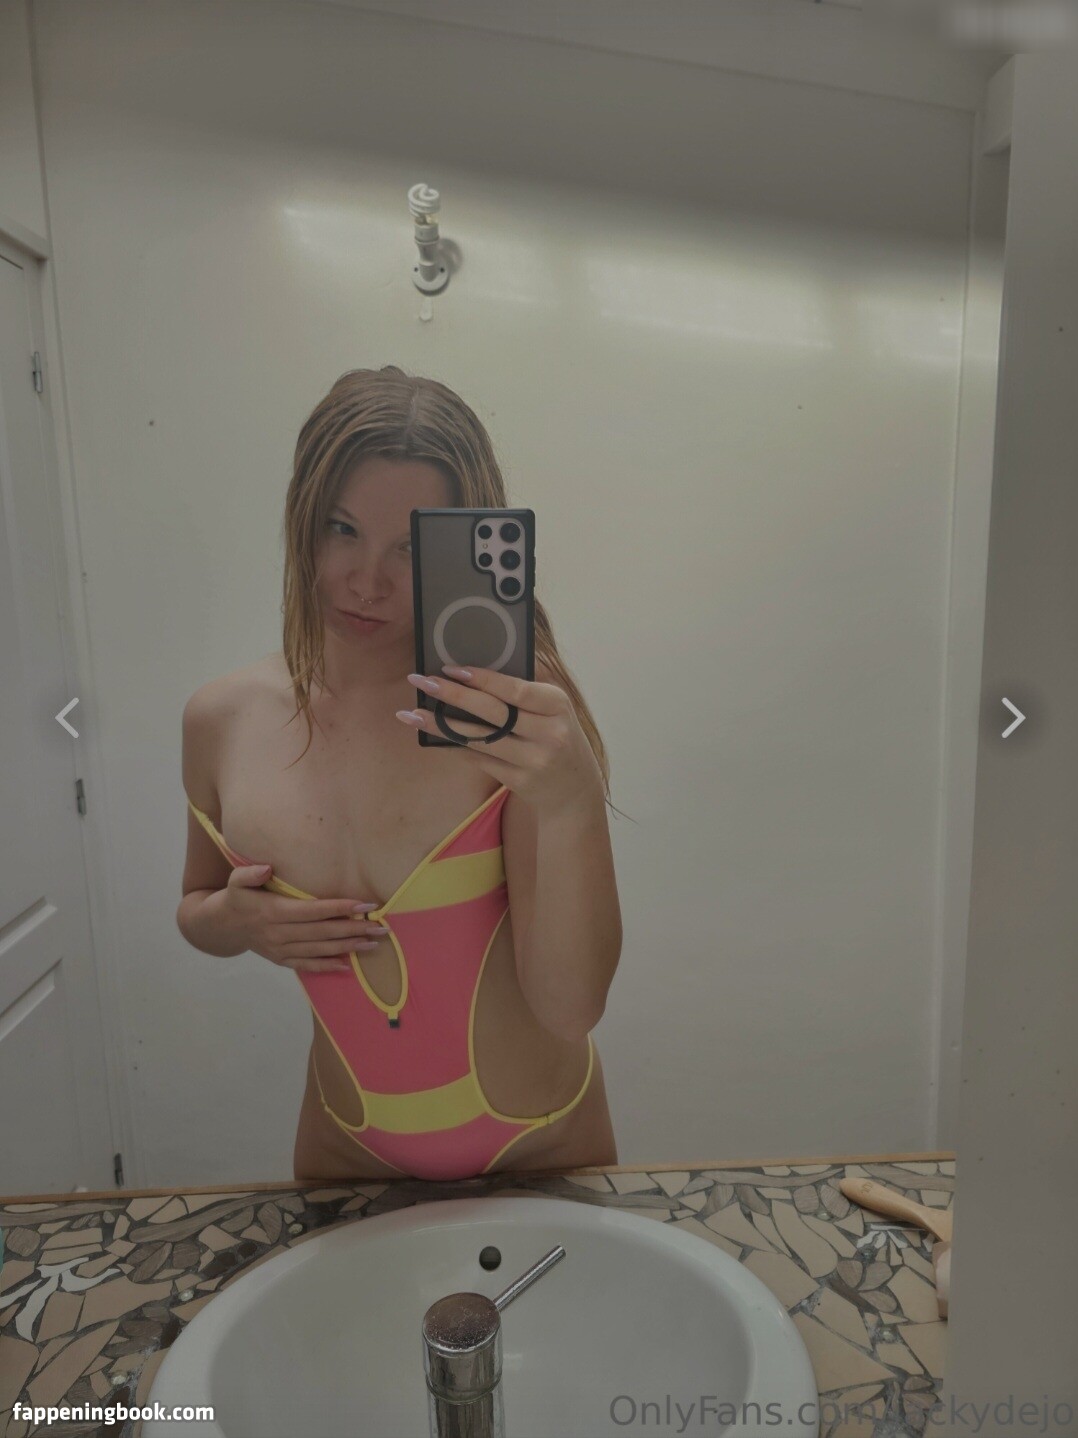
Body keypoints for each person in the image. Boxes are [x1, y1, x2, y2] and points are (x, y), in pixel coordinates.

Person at [177, 365, 623, 1181]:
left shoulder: (507, 711)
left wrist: (573, 802)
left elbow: (571, 1008)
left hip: (539, 1147)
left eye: (411, 547)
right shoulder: (221, 720)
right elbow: (195, 907)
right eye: (341, 529)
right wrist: (238, 924)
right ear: (302, 519)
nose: (366, 581)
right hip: (342, 1145)